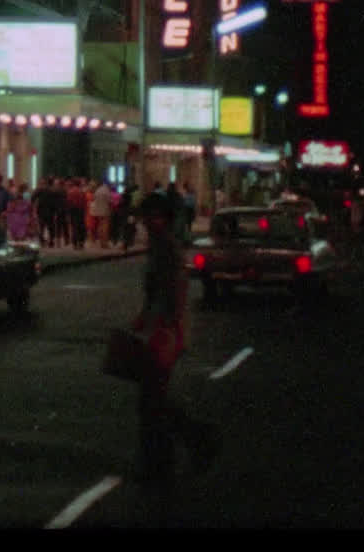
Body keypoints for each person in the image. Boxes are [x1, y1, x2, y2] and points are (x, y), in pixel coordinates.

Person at [129, 190, 219, 514]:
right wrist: (144, 317)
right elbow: (156, 292)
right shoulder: (159, 246)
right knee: (154, 399)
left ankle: (179, 452)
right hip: (159, 327)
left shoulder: (166, 247)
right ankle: (170, 456)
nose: (148, 222)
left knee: (153, 400)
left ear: (163, 218)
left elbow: (174, 291)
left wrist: (167, 331)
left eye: (153, 216)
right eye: (146, 216)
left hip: (165, 331)